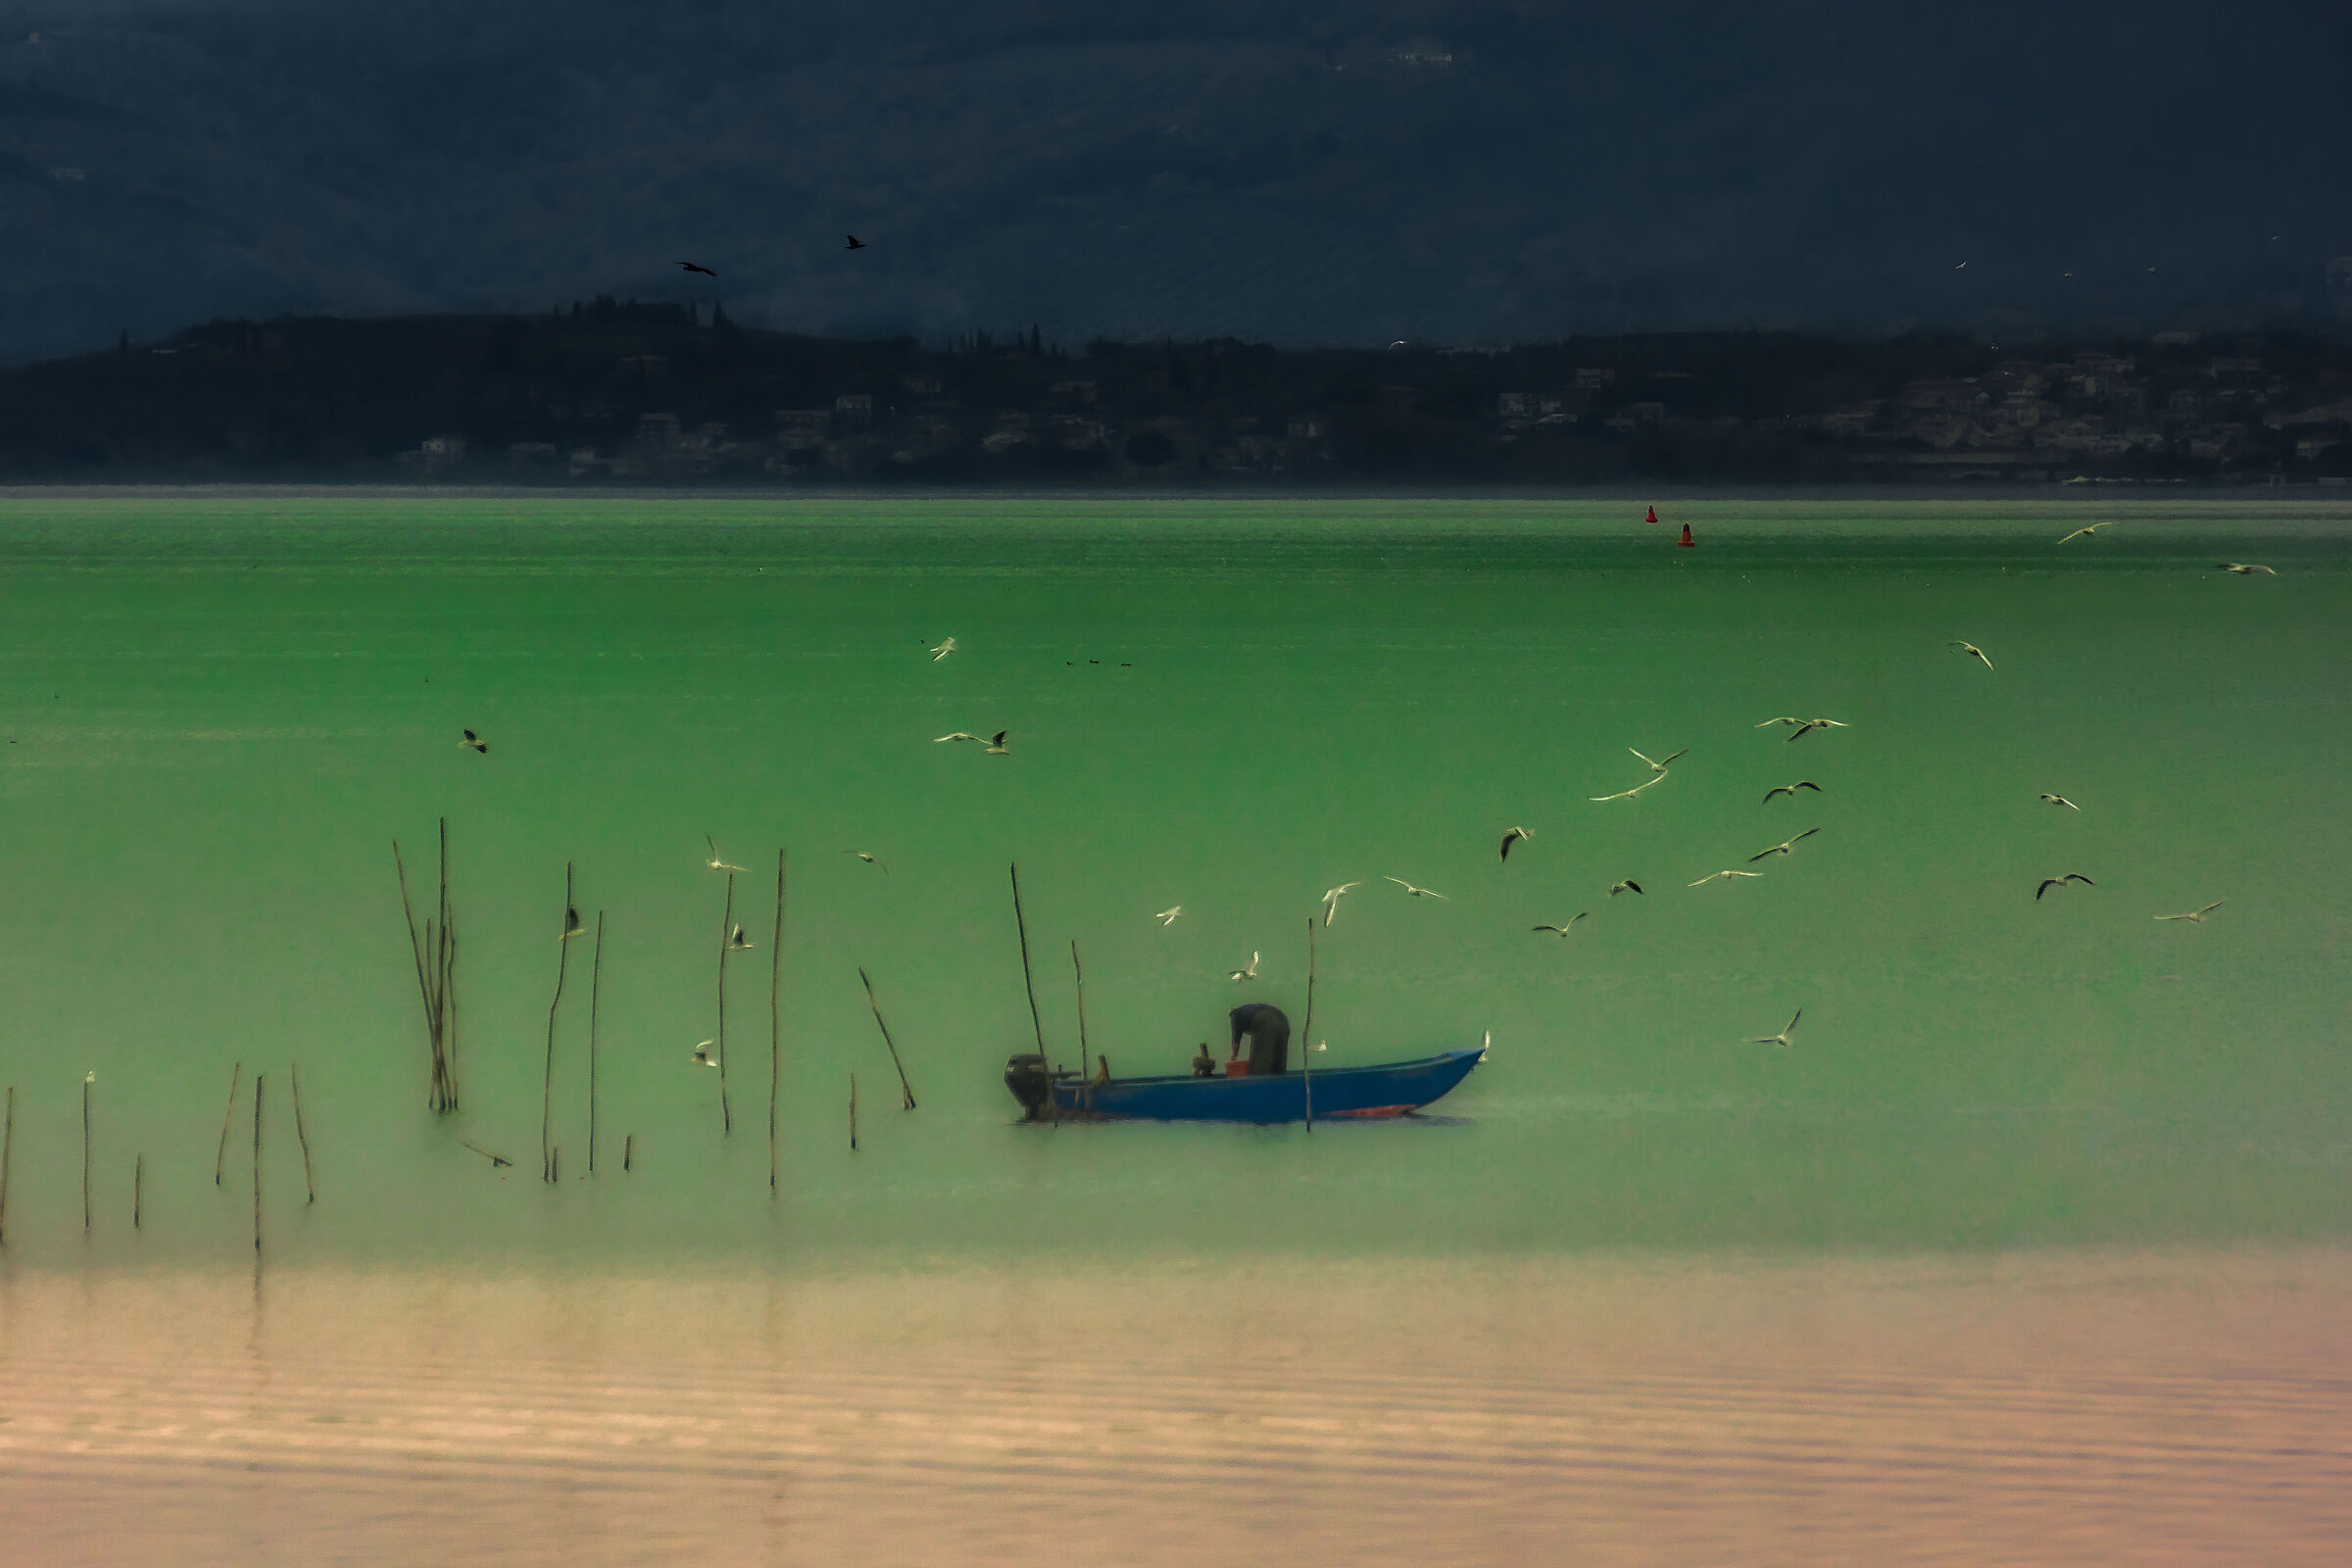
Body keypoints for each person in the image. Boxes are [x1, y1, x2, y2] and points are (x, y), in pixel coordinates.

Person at [1229, 1003, 1291, 1076]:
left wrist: (1233, 1058)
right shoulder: (1250, 1010)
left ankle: (1256, 1085)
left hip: (1266, 1020)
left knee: (1258, 1065)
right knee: (1278, 1066)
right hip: (1283, 1021)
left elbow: (1235, 1042)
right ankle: (1280, 1084)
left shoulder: (1235, 1015)